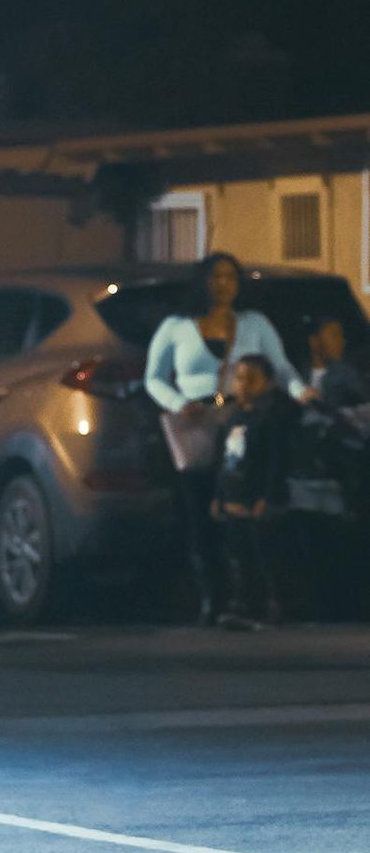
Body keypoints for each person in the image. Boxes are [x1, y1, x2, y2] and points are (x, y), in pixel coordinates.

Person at [144, 253, 299, 627]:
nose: (223, 284)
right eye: (215, 277)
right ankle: (210, 597)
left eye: (231, 276)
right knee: (200, 512)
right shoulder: (176, 326)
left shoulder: (253, 323)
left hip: (243, 422)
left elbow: (279, 366)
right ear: (202, 282)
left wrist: (300, 391)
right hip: (197, 424)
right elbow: (154, 378)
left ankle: (246, 598)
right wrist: (179, 404)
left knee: (242, 511)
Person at [211, 352, 297, 628]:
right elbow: (224, 459)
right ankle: (242, 604)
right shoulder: (235, 417)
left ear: (267, 382)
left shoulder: (271, 417)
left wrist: (267, 496)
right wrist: (219, 495)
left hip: (256, 497)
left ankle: (275, 605)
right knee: (238, 553)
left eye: (252, 379)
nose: (243, 385)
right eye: (239, 378)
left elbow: (275, 460)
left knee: (265, 553)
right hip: (234, 496)